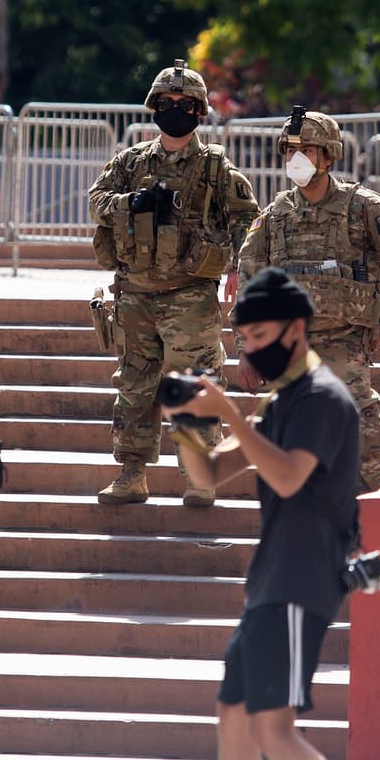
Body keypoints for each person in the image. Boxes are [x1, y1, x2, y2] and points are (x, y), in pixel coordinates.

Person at [162, 267, 380, 760]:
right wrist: (189, 424)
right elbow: (210, 477)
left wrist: (233, 414)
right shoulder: (283, 401)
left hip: (304, 577)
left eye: (261, 334)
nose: (250, 348)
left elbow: (289, 475)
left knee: (273, 726)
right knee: (234, 714)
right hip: (271, 578)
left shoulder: (323, 398)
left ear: (296, 330)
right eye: (243, 338)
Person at [88, 59, 258, 508]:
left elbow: (248, 220)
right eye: (167, 102)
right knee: (134, 386)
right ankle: (131, 474)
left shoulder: (215, 168)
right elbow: (96, 203)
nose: (175, 109)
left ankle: (199, 478)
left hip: (190, 296)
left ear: (200, 110)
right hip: (136, 295)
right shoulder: (130, 162)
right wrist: (132, 202)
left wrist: (240, 267)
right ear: (153, 107)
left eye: (185, 103)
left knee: (197, 387)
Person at [237, 108, 380, 493]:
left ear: (328, 155)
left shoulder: (362, 207)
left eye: (307, 149)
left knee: (361, 439)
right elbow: (250, 279)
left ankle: (379, 523)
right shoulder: (274, 216)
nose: (297, 158)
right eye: (290, 150)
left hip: (346, 345)